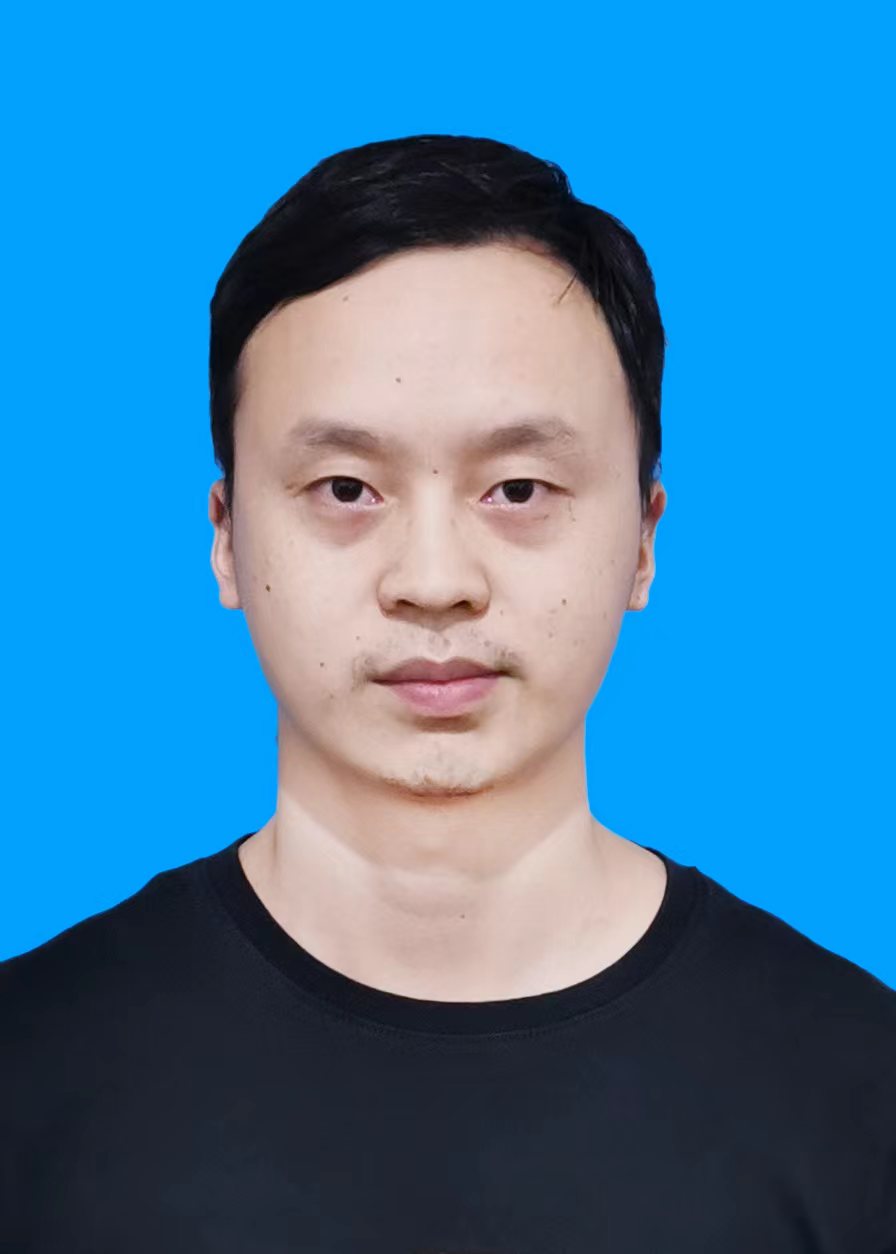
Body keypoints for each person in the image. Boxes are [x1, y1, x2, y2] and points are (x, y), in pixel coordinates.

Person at [2, 133, 893, 1253]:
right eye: (345, 488)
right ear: (226, 538)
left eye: (517, 488)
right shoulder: (28, 1075)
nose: (433, 581)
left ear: (642, 539)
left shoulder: (861, 1094)